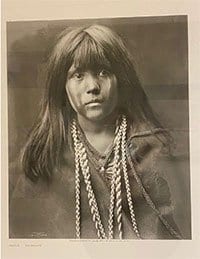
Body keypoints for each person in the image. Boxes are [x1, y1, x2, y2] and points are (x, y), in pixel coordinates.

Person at [9, 24, 183, 239]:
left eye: (103, 72)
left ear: (120, 80)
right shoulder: (42, 160)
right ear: (62, 86)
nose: (92, 86)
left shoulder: (156, 151)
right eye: (78, 75)